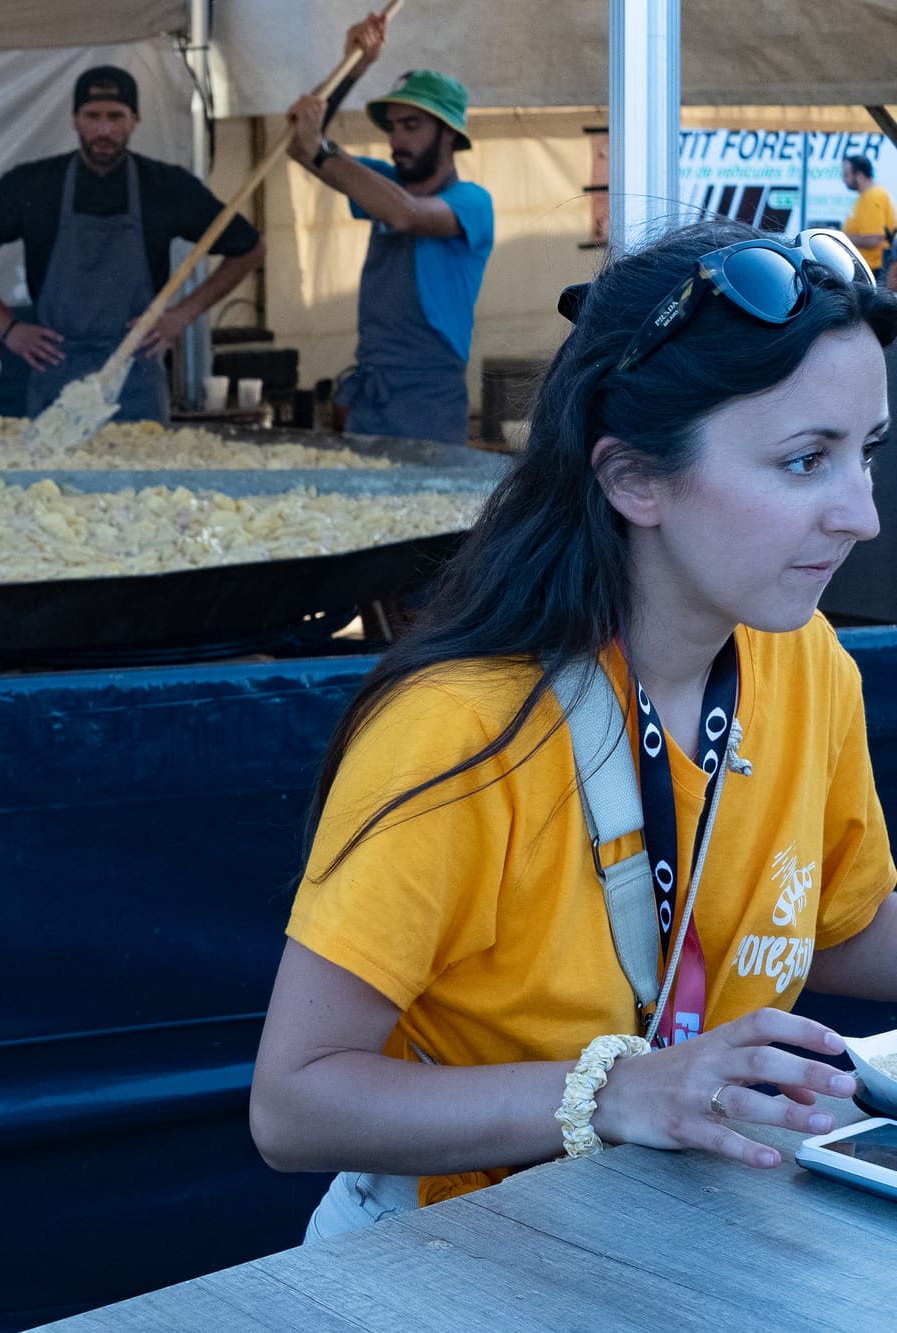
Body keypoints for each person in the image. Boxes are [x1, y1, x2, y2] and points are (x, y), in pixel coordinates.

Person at [248, 218, 897, 1242]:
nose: (860, 513)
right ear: (632, 478)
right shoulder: (460, 727)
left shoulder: (806, 660)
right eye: (804, 459)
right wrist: (616, 1091)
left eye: (867, 451)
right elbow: (292, 1105)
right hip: (440, 1250)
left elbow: (840, 925)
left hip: (674, 1225)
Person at [0, 65, 266, 425]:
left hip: (135, 378)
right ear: (75, 120)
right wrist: (7, 328)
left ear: (135, 121)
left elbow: (250, 249)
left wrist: (184, 314)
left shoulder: (167, 187)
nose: (104, 130)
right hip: (57, 373)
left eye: (116, 116)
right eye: (93, 116)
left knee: (141, 462)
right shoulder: (32, 186)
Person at [284, 13, 492, 446]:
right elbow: (302, 148)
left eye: (411, 125)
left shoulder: (472, 202)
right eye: (392, 127)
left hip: (429, 405)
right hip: (368, 402)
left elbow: (406, 214)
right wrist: (353, 67)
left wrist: (320, 150)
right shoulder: (383, 184)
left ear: (449, 134)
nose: (396, 140)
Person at [841, 153, 893, 281]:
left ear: (859, 175)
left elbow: (873, 239)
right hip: (869, 269)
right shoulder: (867, 196)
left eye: (846, 175)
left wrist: (842, 238)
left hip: (874, 271)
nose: (843, 179)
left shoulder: (873, 197)